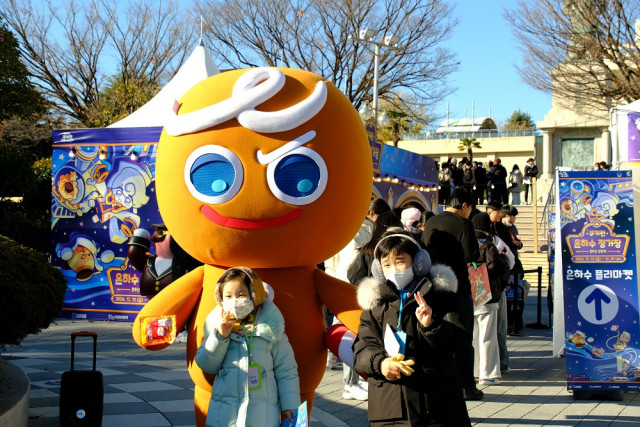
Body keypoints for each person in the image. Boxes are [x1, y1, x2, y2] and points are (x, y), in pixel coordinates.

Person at [353, 230, 471, 426]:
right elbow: (362, 348)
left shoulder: (441, 296)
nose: (394, 269)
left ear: (418, 262)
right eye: (387, 264)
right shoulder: (375, 304)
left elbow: (461, 340)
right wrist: (381, 364)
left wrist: (431, 326)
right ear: (379, 269)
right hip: (390, 408)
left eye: (400, 261)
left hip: (438, 405)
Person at [195, 267, 300, 427]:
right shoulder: (217, 327)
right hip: (224, 417)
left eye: (241, 294)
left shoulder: (271, 331)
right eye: (228, 296)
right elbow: (206, 364)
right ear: (221, 300)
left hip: (262, 417)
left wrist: (290, 405)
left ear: (254, 295)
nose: (235, 301)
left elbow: (286, 370)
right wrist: (220, 337)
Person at [420, 187, 483, 400]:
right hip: (458, 287)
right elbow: (471, 254)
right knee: (463, 334)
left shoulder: (431, 222)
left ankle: (442, 380)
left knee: (436, 331)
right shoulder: (464, 224)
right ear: (464, 206)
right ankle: (468, 385)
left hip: (434, 285)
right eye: (470, 209)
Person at [324, 198, 391, 370]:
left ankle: (334, 359)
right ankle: (349, 375)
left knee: (343, 323)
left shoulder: (351, 227)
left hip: (341, 279)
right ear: (371, 214)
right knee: (351, 326)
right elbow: (353, 261)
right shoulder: (360, 230)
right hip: (352, 282)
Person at [471, 213, 511, 385]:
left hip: (471, 296)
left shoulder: (466, 244)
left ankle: (474, 370)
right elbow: (495, 267)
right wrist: (503, 257)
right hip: (487, 296)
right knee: (488, 336)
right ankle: (487, 374)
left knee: (474, 336)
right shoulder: (489, 245)